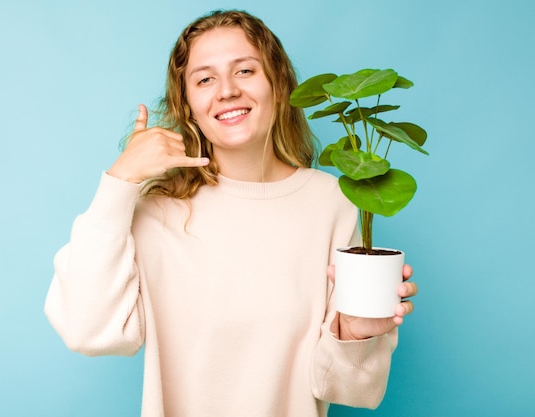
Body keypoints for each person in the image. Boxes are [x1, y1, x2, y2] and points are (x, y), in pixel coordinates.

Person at [44, 9, 418, 417]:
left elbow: (351, 389)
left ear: (278, 83)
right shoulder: (157, 213)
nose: (226, 91)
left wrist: (357, 333)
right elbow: (87, 331)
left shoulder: (335, 202)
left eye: (244, 71)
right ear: (187, 106)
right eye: (205, 79)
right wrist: (120, 179)